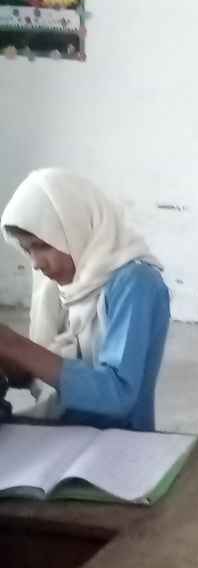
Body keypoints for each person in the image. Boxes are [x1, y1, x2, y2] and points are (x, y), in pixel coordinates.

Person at [0, 168, 170, 430]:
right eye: (27, 249)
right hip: (60, 428)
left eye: (43, 246)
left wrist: (16, 346)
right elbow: (42, 374)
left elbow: (119, 395)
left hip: (118, 437)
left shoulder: (135, 284)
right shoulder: (61, 284)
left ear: (76, 228)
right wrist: (11, 363)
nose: (35, 263)